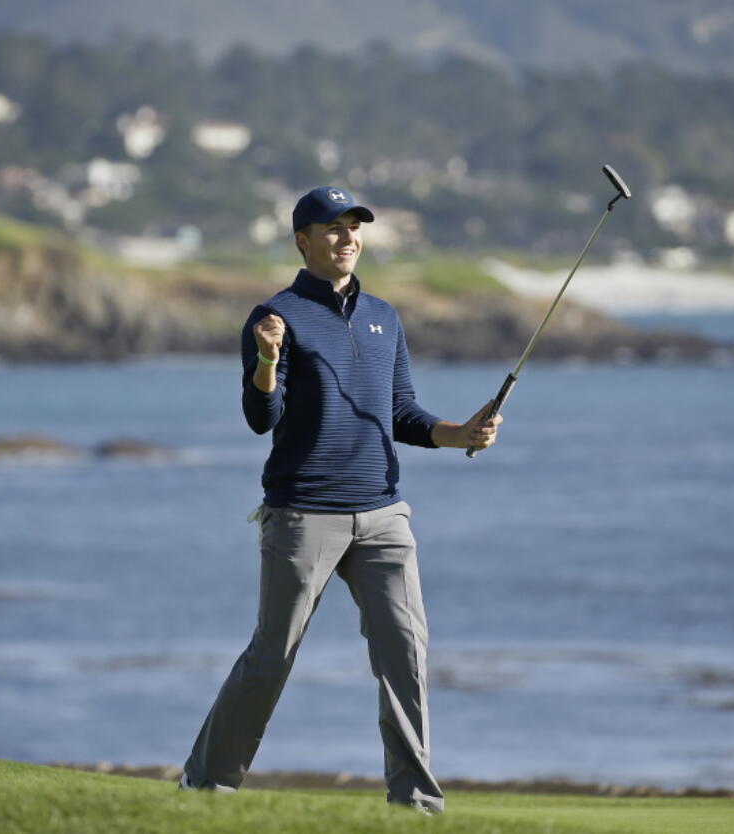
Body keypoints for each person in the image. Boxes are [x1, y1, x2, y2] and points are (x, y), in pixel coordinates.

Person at [179, 186, 501, 814]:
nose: (347, 237)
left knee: (406, 653)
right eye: (332, 227)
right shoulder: (274, 316)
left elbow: (401, 411)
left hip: (384, 513)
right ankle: (206, 784)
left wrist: (456, 434)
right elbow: (259, 416)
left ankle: (414, 804)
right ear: (303, 240)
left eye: (355, 227)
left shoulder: (385, 315)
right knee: (272, 657)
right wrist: (267, 362)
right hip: (303, 513)